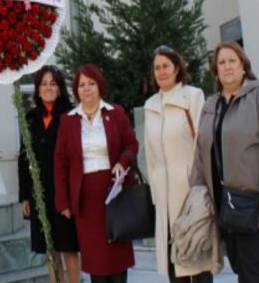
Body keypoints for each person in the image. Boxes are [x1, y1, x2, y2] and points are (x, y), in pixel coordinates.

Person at [190, 41, 259, 283]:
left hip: (258, 207)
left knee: (257, 273)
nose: (227, 67)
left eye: (232, 61)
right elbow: (201, 153)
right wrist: (196, 195)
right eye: (221, 63)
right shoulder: (211, 106)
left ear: (243, 66)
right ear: (216, 70)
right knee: (243, 272)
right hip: (227, 208)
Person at [54, 64, 138, 283]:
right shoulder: (68, 120)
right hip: (85, 199)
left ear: (99, 86)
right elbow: (60, 162)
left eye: (91, 83)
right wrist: (63, 200)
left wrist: (123, 161)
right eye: (82, 85)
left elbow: (131, 144)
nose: (87, 89)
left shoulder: (115, 113)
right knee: (96, 261)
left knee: (117, 256)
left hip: (114, 194)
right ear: (76, 90)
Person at [143, 46, 214, 282]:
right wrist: (156, 194)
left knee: (198, 259)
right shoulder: (150, 105)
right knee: (175, 267)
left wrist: (204, 187)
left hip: (191, 192)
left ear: (176, 68)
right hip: (164, 197)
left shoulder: (192, 96)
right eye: (157, 67)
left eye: (166, 66)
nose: (161, 71)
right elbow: (150, 155)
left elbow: (204, 144)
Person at [18, 65, 81, 283]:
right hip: (40, 194)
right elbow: (23, 157)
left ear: (60, 88)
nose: (48, 88)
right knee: (50, 250)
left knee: (69, 249)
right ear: (37, 88)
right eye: (44, 84)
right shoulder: (31, 118)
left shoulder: (71, 115)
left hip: (64, 194)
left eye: (53, 83)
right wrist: (24, 195)